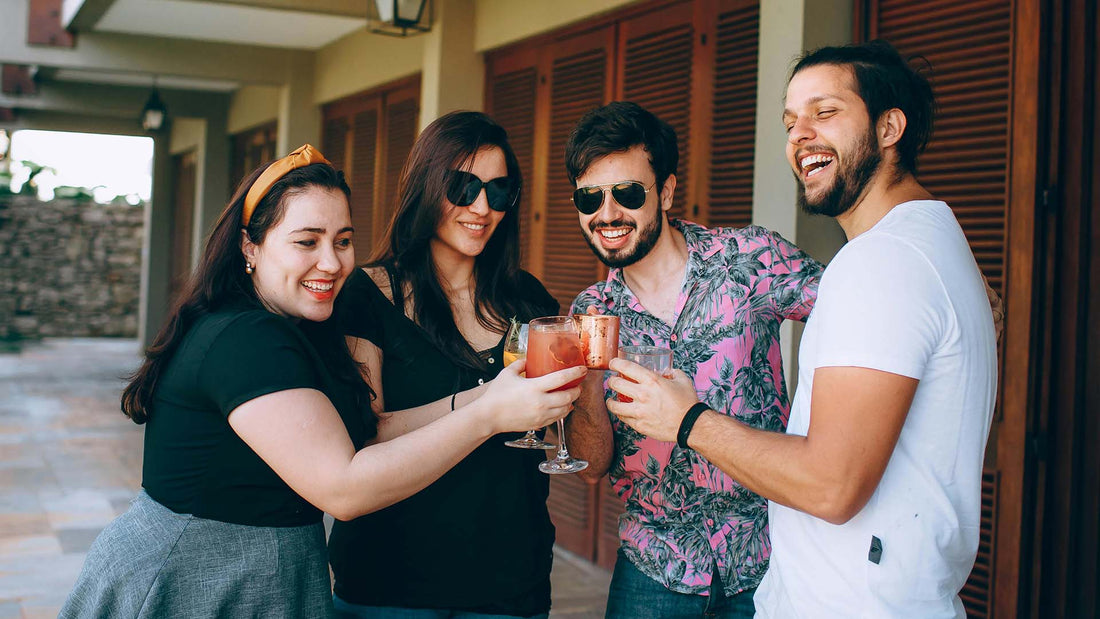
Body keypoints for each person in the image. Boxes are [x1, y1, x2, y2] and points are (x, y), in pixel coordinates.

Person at [60, 145, 583, 618]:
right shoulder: (246, 339)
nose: (331, 263)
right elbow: (345, 487)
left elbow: (369, 428)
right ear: (250, 246)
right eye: (306, 241)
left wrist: (490, 393)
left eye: (343, 240)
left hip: (263, 577)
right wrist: (490, 415)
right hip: (195, 582)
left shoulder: (291, 328)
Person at [607, 40, 997, 617]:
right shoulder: (927, 245)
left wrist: (687, 420)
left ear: (890, 127)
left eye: (826, 112)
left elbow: (831, 488)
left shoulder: (882, 262)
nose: (800, 135)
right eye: (791, 121)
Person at [565, 102, 824, 618]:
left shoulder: (749, 260)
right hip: (653, 566)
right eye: (590, 197)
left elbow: (863, 305)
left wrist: (951, 294)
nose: (607, 214)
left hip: (767, 560)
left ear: (665, 191)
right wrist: (590, 386)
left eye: (629, 193)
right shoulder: (589, 312)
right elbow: (591, 467)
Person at [328, 111, 571, 618]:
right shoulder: (370, 294)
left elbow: (559, 425)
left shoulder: (527, 299)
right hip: (392, 584)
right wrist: (488, 407)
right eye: (463, 187)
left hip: (510, 583)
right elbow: (362, 434)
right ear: (426, 185)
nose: (483, 207)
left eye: (499, 192)